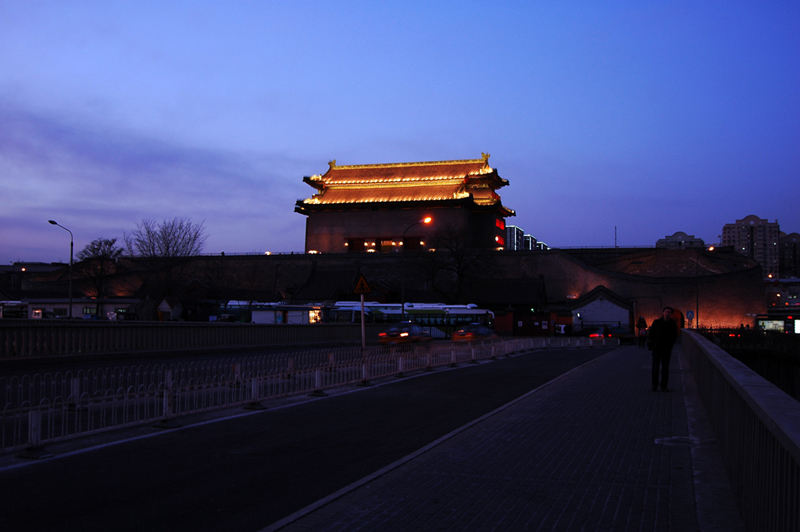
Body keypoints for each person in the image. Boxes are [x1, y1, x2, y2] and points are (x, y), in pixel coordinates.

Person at [648, 307, 678, 392]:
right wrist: (652, 345)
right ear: (663, 312)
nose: (667, 313)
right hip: (657, 349)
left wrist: (670, 345)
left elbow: (674, 336)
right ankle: (654, 385)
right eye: (666, 312)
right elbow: (651, 334)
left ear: (670, 314)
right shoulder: (656, 322)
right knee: (655, 368)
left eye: (669, 312)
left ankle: (664, 386)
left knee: (665, 369)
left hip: (666, 350)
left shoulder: (672, 324)